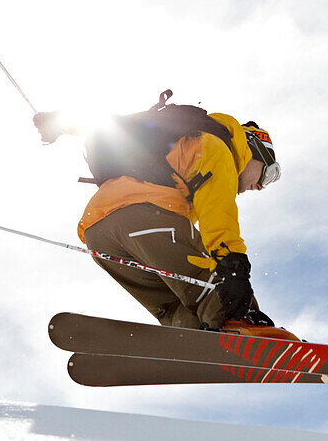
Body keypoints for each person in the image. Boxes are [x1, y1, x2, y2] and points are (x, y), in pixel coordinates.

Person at [34, 100, 288, 337]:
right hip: (145, 216)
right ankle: (245, 328)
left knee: (174, 306)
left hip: (99, 233)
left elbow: (111, 129)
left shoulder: (179, 135)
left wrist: (58, 123)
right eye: (269, 175)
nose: (261, 187)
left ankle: (194, 337)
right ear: (254, 149)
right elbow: (217, 213)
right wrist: (234, 267)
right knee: (220, 291)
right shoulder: (220, 148)